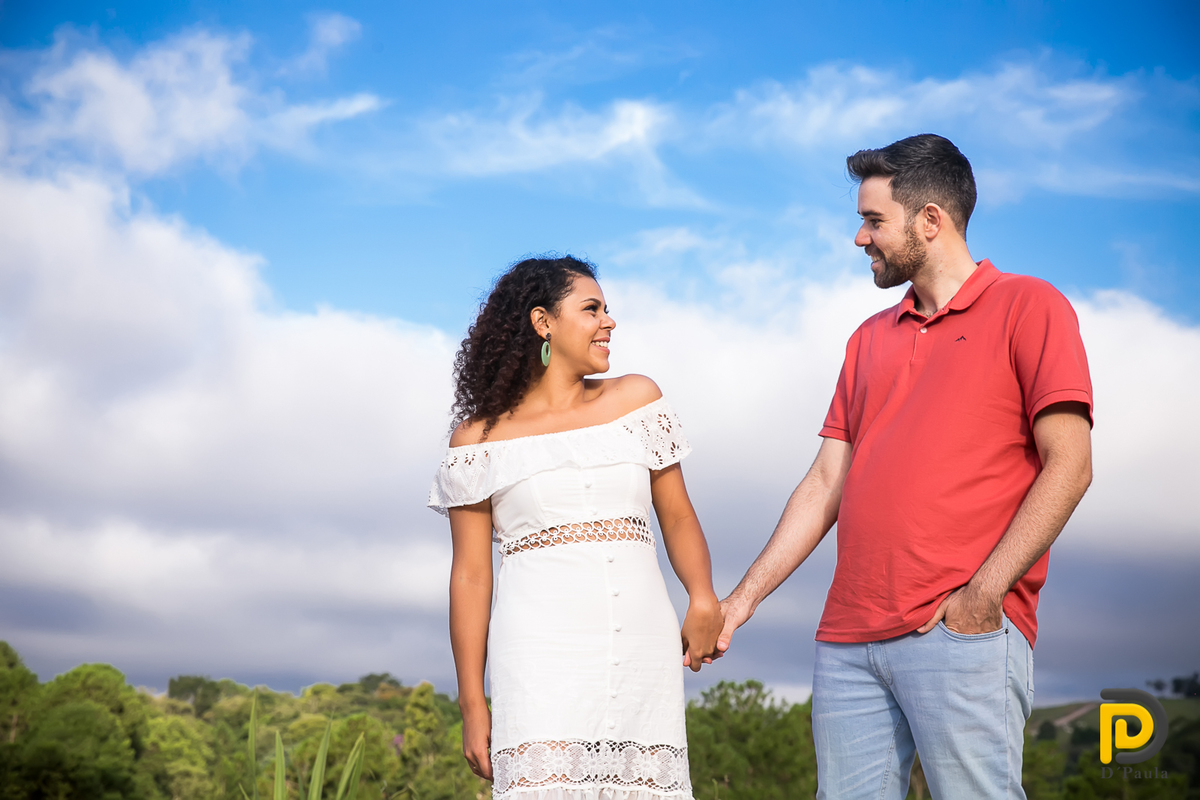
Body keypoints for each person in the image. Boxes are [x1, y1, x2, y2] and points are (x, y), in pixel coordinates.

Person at [713, 134, 1094, 799]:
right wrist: (741, 601)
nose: (859, 238)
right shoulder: (867, 340)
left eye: (873, 220)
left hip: (959, 631)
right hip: (847, 642)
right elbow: (825, 482)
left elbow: (1070, 464)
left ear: (930, 220)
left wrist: (984, 593)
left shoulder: (1030, 307)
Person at [429, 255, 722, 799]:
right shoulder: (477, 440)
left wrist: (703, 596)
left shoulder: (637, 399)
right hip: (539, 655)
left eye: (607, 310)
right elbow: (470, 576)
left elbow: (678, 514)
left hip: (642, 647)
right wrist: (473, 701)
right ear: (543, 323)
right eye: (592, 309)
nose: (609, 321)